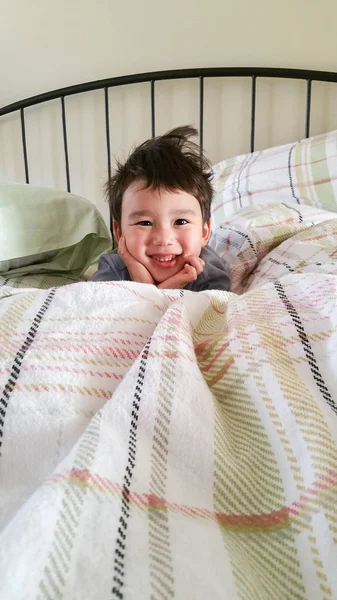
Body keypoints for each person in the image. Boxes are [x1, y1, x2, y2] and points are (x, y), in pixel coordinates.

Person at [91, 126, 230, 291]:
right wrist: (150, 286)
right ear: (119, 232)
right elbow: (94, 309)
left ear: (204, 232)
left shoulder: (209, 276)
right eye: (144, 223)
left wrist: (155, 290)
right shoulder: (113, 268)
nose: (164, 239)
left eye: (180, 221)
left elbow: (215, 314)